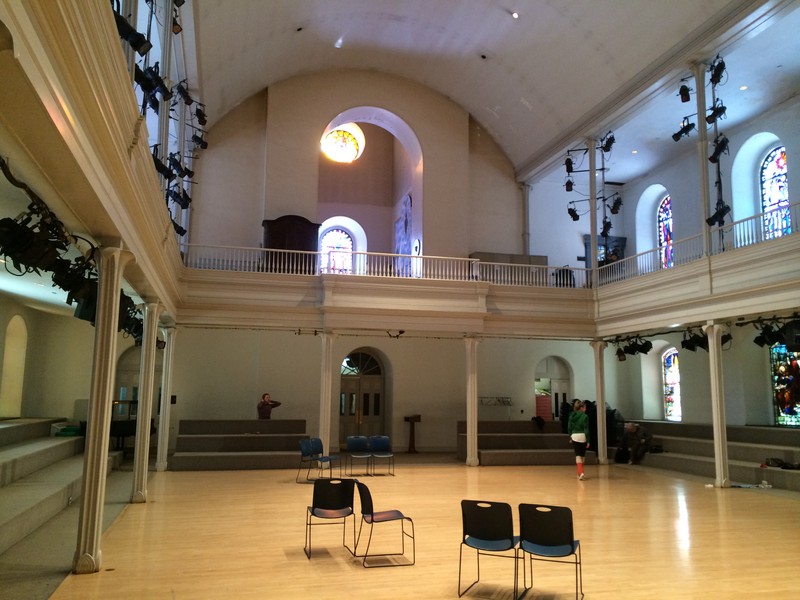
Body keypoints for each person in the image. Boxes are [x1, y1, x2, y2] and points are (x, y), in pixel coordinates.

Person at [568, 399, 590, 480]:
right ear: (581, 408)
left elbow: (569, 428)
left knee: (577, 455)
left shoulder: (571, 416)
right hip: (583, 436)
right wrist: (588, 440)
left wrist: (570, 436)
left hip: (575, 436)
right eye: (585, 408)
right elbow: (586, 429)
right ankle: (580, 473)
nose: (585, 409)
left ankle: (580, 473)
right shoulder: (585, 416)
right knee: (582, 455)